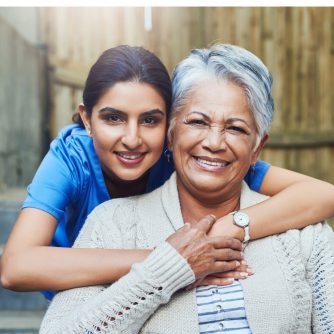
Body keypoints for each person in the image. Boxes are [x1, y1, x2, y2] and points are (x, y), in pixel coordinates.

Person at [40, 44, 334, 333]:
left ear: (257, 147)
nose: (214, 143)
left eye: (235, 128)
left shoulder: (306, 237)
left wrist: (231, 227)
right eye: (197, 122)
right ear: (170, 132)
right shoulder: (111, 224)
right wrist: (166, 270)